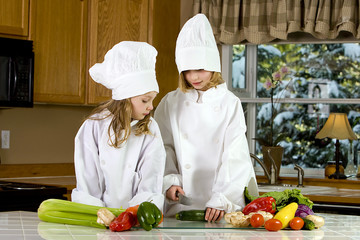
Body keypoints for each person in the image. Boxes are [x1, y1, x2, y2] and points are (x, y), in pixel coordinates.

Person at [154, 14, 259, 222]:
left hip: (219, 208)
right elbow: (161, 148)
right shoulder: (170, 102)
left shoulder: (230, 103)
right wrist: (169, 182)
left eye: (200, 69)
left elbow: (235, 155)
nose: (194, 77)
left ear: (214, 66)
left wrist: (223, 197)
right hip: (179, 206)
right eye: (187, 71)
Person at [71, 41, 166, 211]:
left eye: (152, 99)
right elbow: (88, 179)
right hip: (97, 218)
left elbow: (151, 178)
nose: (151, 107)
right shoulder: (94, 126)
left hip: (136, 219)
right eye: (145, 100)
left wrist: (136, 213)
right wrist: (99, 213)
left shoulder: (150, 128)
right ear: (125, 98)